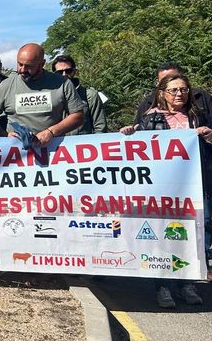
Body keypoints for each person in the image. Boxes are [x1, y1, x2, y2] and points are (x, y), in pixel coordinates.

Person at [120, 73, 211, 307]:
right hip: (162, 189)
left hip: (193, 186)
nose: (179, 94)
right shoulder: (150, 118)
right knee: (162, 235)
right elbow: (140, 150)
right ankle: (163, 286)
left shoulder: (197, 116)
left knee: (192, 234)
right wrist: (131, 134)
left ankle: (187, 284)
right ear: (162, 93)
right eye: (174, 90)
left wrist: (208, 136)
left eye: (184, 90)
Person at [0, 43, 85, 147]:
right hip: (17, 152)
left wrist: (51, 132)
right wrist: (4, 135)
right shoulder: (6, 85)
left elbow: (78, 116)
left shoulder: (62, 83)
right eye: (20, 64)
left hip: (54, 149)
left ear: (42, 64)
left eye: (29, 66)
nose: (22, 69)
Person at [135, 62, 212, 125]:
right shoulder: (149, 103)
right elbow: (140, 131)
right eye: (165, 80)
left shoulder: (200, 96)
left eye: (173, 78)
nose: (179, 94)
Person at [51, 55, 106, 134]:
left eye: (68, 71)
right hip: (58, 141)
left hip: (84, 141)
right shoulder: (49, 97)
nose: (64, 74)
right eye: (59, 72)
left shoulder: (89, 95)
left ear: (74, 71)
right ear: (53, 74)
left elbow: (100, 127)